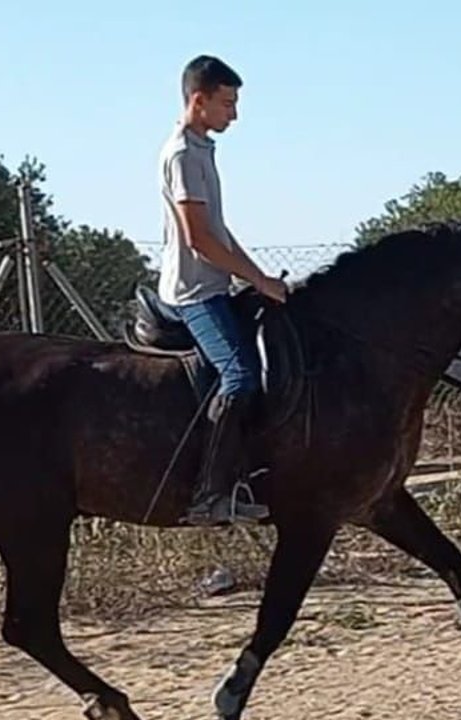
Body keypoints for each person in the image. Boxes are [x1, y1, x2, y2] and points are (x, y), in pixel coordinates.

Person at [157, 55, 287, 526]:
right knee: (240, 376)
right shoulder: (182, 155)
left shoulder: (202, 149)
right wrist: (254, 280)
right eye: (227, 103)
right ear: (199, 100)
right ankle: (210, 495)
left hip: (216, 284)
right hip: (193, 293)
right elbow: (200, 239)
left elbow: (220, 230)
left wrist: (260, 278)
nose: (234, 113)